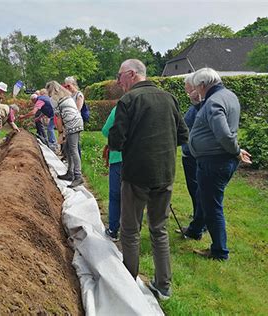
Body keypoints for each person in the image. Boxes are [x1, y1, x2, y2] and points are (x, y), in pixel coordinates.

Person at [108, 59, 189, 300]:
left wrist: (139, 147)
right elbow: (183, 134)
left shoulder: (129, 100)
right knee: (159, 229)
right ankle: (163, 285)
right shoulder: (169, 98)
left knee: (130, 231)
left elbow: (116, 141)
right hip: (164, 174)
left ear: (131, 74)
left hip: (136, 176)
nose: (118, 81)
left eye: (120, 76)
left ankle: (128, 287)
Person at [187, 68, 252, 260]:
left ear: (204, 85)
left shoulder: (214, 101)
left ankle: (219, 251)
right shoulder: (228, 95)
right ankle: (195, 230)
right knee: (205, 198)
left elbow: (224, 134)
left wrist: (235, 150)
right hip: (215, 160)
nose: (196, 91)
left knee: (212, 206)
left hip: (214, 162)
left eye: (197, 87)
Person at [175, 73, 206, 240]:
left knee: (198, 191)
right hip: (190, 153)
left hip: (194, 155)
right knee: (195, 191)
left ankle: (199, 225)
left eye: (189, 91)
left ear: (197, 89)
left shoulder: (203, 108)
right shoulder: (196, 107)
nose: (188, 95)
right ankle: (199, 220)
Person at [46, 81, 84, 188]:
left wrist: (61, 133)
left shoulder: (54, 99)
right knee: (67, 148)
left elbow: (57, 118)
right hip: (76, 121)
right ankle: (70, 173)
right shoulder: (67, 95)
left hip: (72, 123)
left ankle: (78, 176)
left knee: (73, 149)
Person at [101, 107, 123, 242]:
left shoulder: (119, 108)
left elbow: (105, 130)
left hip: (119, 157)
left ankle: (114, 229)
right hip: (140, 159)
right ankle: (131, 232)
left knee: (115, 195)